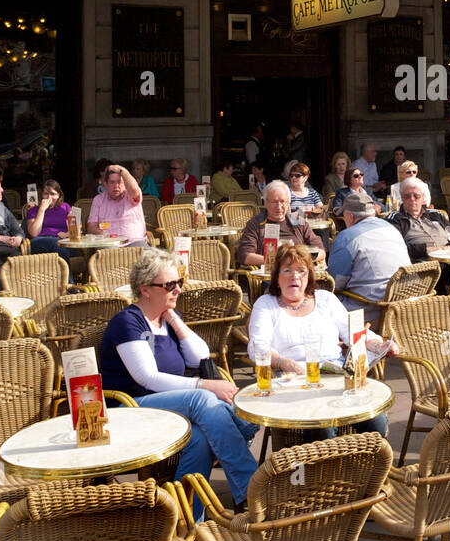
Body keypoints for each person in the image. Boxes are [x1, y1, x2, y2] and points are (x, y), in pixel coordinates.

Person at [100, 248, 259, 515]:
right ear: (145, 289)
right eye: (170, 285)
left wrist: (173, 319)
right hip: (128, 407)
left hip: (165, 407)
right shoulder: (128, 323)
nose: (178, 290)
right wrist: (206, 385)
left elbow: (200, 357)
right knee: (203, 398)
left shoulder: (166, 318)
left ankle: (184, 519)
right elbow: (146, 377)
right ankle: (252, 490)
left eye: (179, 283)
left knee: (199, 438)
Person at [247, 245, 395, 438]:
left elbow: (354, 331)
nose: (295, 277)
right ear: (276, 276)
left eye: (301, 271)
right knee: (322, 427)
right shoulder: (266, 305)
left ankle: (366, 467)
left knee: (376, 420)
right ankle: (325, 467)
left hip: (335, 374)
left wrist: (380, 345)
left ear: (309, 276)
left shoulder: (325, 299)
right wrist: (286, 363)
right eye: (287, 270)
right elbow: (258, 346)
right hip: (294, 381)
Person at [329, 192, 412, 321]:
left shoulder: (346, 237)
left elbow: (335, 284)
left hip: (370, 310)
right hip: (404, 305)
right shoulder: (391, 228)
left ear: (350, 216)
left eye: (344, 215)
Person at [237, 180, 325, 267]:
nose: (279, 207)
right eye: (274, 202)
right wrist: (277, 262)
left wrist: (301, 260)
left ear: (288, 203)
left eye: (283, 202)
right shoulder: (255, 224)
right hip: (270, 274)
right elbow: (245, 256)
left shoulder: (298, 221)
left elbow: (321, 250)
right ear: (266, 203)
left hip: (299, 271)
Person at [387, 178, 450, 260]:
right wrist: (428, 250)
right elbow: (394, 246)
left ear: (423, 197)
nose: (412, 199)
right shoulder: (395, 218)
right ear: (402, 198)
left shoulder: (435, 214)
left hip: (449, 258)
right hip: (424, 263)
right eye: (407, 196)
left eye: (416, 196)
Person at [87, 163, 148, 244]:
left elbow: (134, 189)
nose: (116, 186)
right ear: (105, 184)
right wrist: (104, 235)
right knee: (104, 253)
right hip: (108, 243)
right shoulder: (98, 200)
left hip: (134, 241)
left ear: (125, 184)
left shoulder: (130, 195)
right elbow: (91, 227)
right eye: (112, 182)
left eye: (119, 182)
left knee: (147, 254)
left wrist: (121, 170)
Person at [24, 179, 76, 260]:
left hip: (62, 241)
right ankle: (66, 272)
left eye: (53, 194)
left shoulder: (65, 207)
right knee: (56, 245)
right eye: (46, 194)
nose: (49, 197)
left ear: (58, 195)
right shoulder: (33, 210)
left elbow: (75, 229)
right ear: (41, 195)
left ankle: (64, 272)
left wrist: (67, 234)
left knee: (60, 247)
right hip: (40, 241)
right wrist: (41, 210)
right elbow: (34, 233)